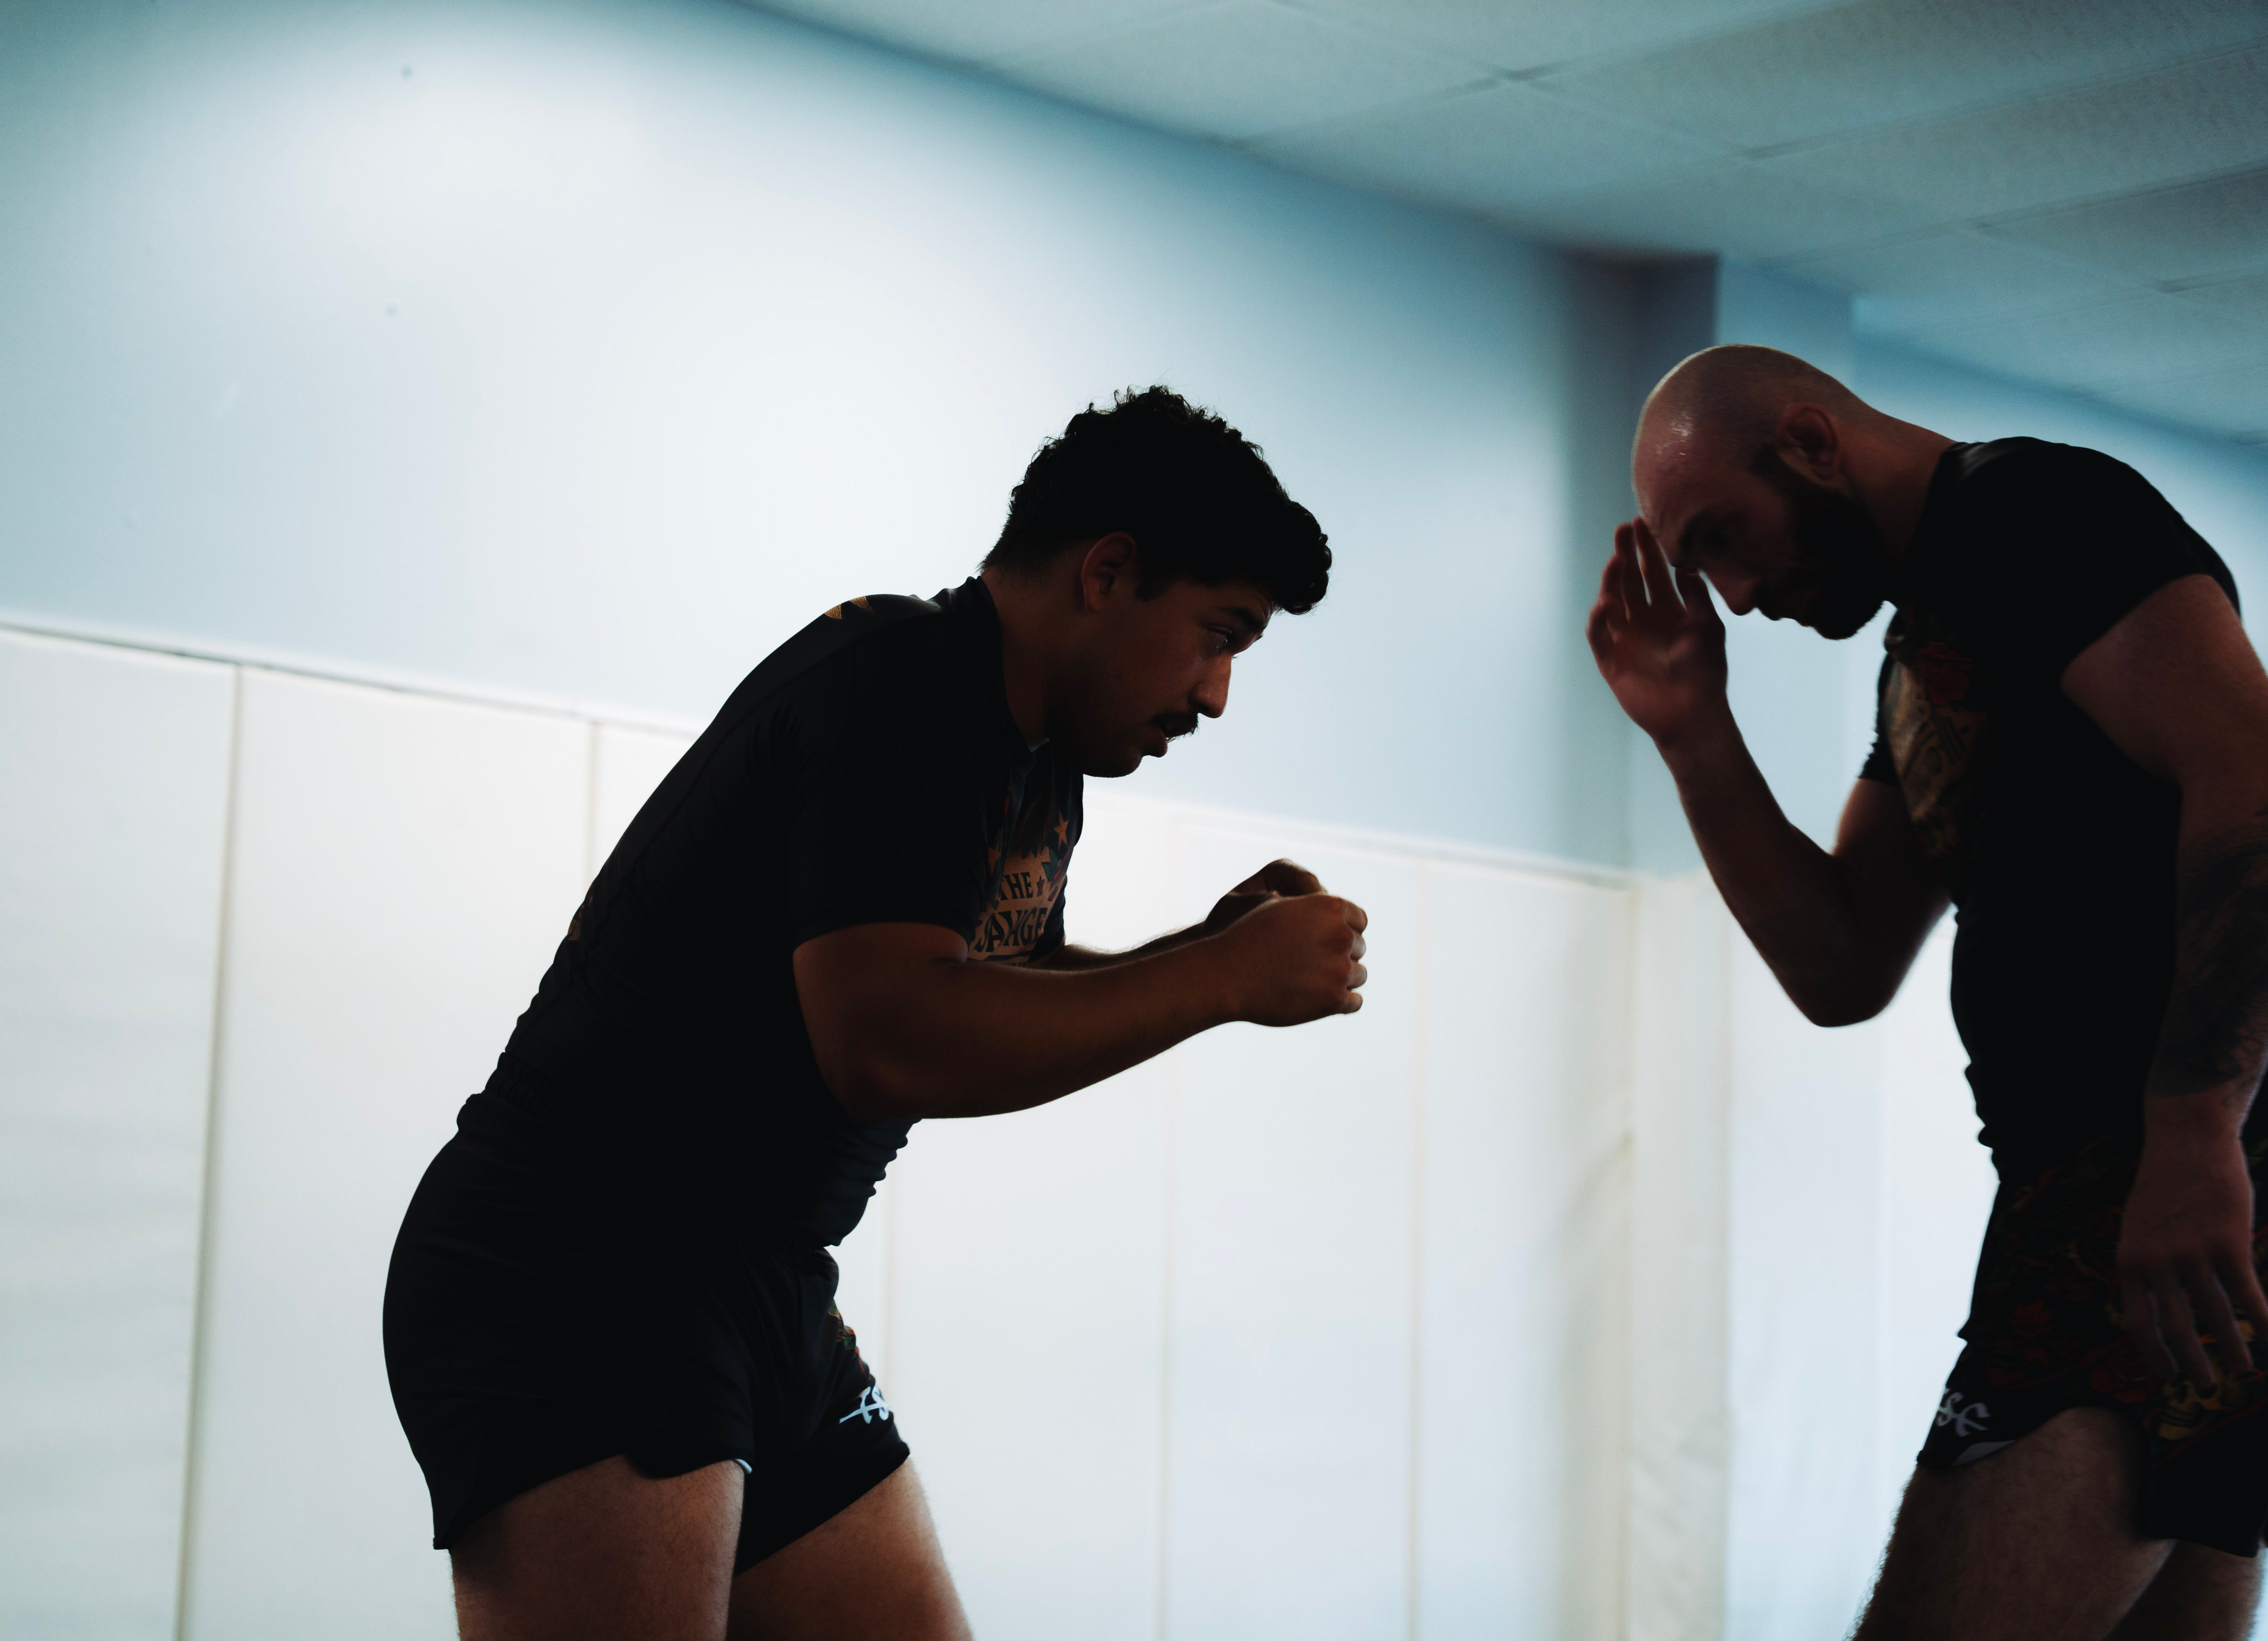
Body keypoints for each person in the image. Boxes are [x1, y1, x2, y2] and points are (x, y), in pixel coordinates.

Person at [383, 386, 1368, 1641]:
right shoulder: (908, 681)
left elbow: (988, 977)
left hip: (761, 1280)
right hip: (587, 1259)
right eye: (1218, 635)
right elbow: (889, 1040)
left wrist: (1198, 951)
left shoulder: (1033, 757)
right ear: (1108, 573)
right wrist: (1221, 982)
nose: (1218, 694)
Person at [1589, 343, 2268, 1640]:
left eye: (1724, 538)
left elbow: (2253, 780)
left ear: (1811, 443)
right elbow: (1842, 961)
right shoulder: (1932, 642)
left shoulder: (2031, 514)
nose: (1736, 595)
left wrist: (2196, 1134)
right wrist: (1692, 732)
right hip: (2144, 1203)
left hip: (2144, 1198)